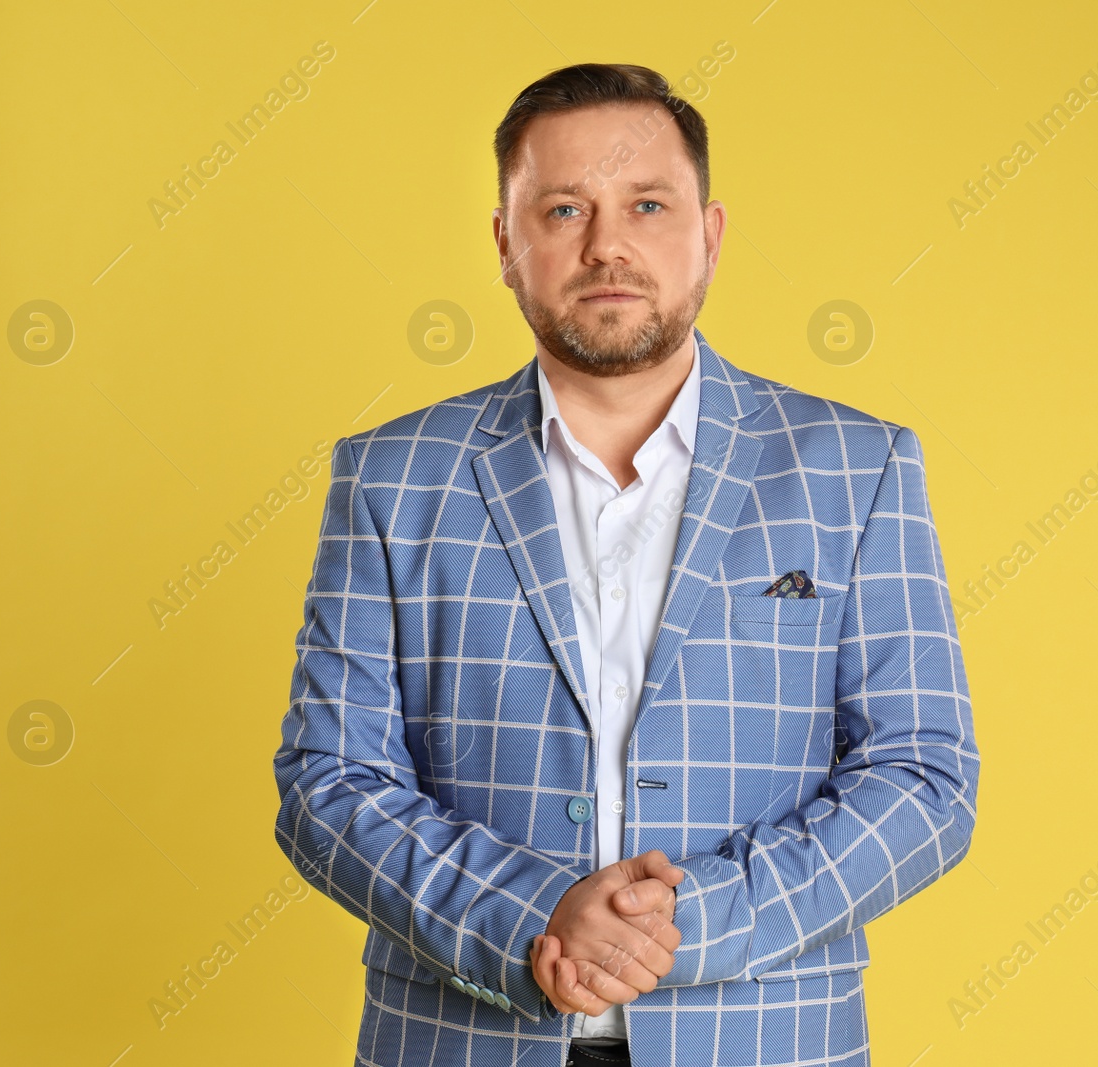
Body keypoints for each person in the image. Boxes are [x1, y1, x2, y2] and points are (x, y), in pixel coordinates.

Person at [272, 61, 979, 1067]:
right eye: (563, 209)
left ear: (709, 234)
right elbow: (327, 783)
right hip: (462, 1034)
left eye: (647, 203)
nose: (607, 244)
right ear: (506, 245)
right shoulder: (394, 476)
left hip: (766, 1036)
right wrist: (533, 917)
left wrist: (677, 928)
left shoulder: (855, 469)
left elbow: (923, 779)